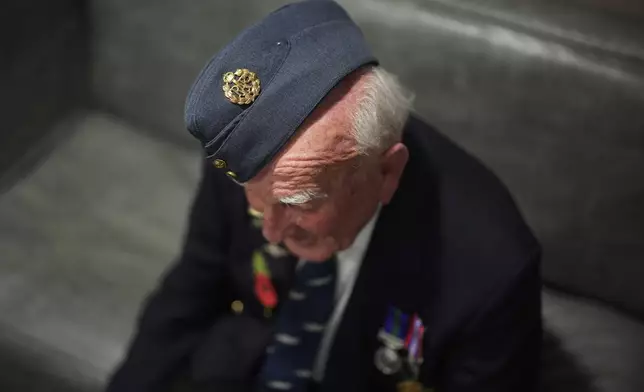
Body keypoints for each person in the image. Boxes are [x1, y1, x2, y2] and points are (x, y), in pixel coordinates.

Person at [106, 1, 542, 391]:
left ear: (386, 171)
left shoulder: (493, 269)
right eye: (260, 205)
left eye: (299, 203)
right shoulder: (247, 155)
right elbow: (191, 288)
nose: (272, 232)